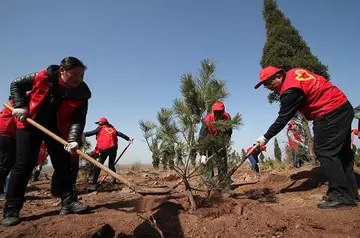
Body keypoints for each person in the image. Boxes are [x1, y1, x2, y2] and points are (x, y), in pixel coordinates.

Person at [1, 56, 91, 227]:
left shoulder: (82, 93)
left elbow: (78, 120)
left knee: (63, 162)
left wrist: (73, 140)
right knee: (24, 163)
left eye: (81, 75)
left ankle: (68, 201)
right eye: (75, 74)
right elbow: (16, 84)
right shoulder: (44, 76)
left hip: (55, 126)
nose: (78, 79)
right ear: (62, 71)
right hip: (30, 122)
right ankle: (11, 209)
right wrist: (21, 105)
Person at [254, 66, 358, 209]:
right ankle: (350, 192)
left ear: (279, 76)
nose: (268, 87)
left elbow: (283, 118)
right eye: (265, 85)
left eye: (268, 83)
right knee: (342, 154)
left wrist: (265, 137)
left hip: (329, 112)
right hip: (343, 107)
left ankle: (341, 195)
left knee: (325, 152)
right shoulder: (294, 72)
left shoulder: (290, 91)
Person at [84, 117, 133, 191]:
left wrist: (82, 134)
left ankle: (94, 183)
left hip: (105, 149)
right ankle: (114, 181)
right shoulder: (112, 129)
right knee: (111, 165)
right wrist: (128, 139)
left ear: (102, 123)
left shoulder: (100, 128)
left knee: (98, 165)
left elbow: (91, 133)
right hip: (113, 148)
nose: (98, 125)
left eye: (99, 123)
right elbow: (120, 134)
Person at [198, 100, 232, 186]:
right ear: (213, 111)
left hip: (221, 142)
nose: (217, 114)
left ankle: (223, 181)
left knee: (222, 161)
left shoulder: (227, 117)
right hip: (209, 142)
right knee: (208, 162)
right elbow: (202, 137)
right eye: (216, 112)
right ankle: (209, 183)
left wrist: (225, 141)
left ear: (223, 111)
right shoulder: (207, 120)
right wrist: (202, 154)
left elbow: (229, 131)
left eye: (220, 112)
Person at [0, 98, 16, 200]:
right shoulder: (15, 104)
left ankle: (4, 188)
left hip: (11, 135)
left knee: (11, 163)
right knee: (4, 163)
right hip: (5, 133)